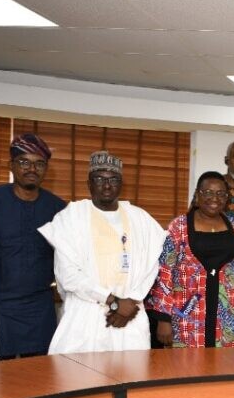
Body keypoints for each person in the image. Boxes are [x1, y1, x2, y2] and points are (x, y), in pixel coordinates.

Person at [39, 151, 166, 354]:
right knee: (80, 379)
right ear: (88, 183)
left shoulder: (140, 218)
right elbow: (68, 275)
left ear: (121, 183)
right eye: (99, 179)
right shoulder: (70, 218)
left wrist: (131, 301)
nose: (107, 185)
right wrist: (113, 301)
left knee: (130, 379)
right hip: (86, 315)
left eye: (113, 179)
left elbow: (153, 265)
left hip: (130, 316)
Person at [0, 134, 66, 359]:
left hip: (40, 307)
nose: (32, 169)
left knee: (40, 378)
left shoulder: (58, 209)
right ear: (11, 165)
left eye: (39, 164)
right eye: (24, 162)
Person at [148, 171, 234, 348]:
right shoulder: (179, 226)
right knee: (186, 369)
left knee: (228, 369)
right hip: (186, 315)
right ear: (197, 194)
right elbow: (165, 272)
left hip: (229, 316)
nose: (215, 198)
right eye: (208, 192)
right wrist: (163, 319)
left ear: (227, 198)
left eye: (221, 193)